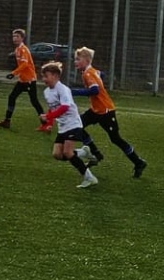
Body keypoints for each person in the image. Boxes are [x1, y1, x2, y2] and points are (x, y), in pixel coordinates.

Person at [71, 46, 147, 176]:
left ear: (87, 60)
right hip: (97, 110)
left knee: (115, 139)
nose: (75, 62)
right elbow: (101, 74)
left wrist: (73, 92)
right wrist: (99, 77)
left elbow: (95, 90)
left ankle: (138, 162)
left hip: (106, 111)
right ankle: (96, 153)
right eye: (75, 59)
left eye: (78, 59)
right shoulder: (91, 71)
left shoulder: (89, 73)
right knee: (77, 125)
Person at [40, 60, 101, 188]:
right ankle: (84, 153)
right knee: (57, 154)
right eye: (43, 76)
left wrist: (49, 117)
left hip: (73, 124)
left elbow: (65, 107)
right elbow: (52, 108)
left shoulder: (63, 89)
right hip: (62, 126)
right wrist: (49, 123)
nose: (44, 79)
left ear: (55, 76)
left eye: (46, 76)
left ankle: (89, 178)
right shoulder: (46, 92)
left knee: (68, 152)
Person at [0, 28, 44, 129]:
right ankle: (7, 121)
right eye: (13, 36)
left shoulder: (23, 49)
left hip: (29, 80)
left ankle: (46, 122)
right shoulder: (17, 49)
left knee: (34, 101)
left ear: (22, 38)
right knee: (12, 97)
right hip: (22, 80)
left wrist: (13, 73)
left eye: (17, 36)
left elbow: (25, 64)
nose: (15, 38)